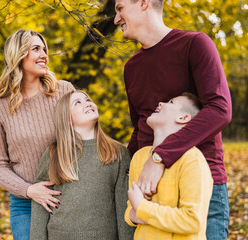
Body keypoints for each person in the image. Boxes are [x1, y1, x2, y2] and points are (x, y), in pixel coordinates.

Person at [114, 0, 232, 239]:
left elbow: (220, 109)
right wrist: (130, 172)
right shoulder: (132, 67)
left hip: (198, 184)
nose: (116, 19)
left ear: (144, 3)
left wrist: (160, 158)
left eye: (119, 8)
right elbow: (140, 128)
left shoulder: (195, 44)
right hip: (150, 189)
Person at [0, 29, 75, 240]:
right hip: (25, 203)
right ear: (18, 55)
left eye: (45, 49)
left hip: (68, 195)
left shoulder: (64, 92)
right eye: (36, 49)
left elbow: (87, 139)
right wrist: (29, 190)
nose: (44, 54)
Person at [30, 90, 135, 240]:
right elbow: (41, 203)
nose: (87, 103)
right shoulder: (54, 152)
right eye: (78, 102)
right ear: (67, 118)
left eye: (88, 100)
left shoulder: (117, 152)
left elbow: (123, 204)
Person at [125, 93, 213, 239]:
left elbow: (192, 221)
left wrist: (142, 208)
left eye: (170, 102)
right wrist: (134, 213)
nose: (160, 103)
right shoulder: (139, 157)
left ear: (183, 118)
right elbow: (130, 212)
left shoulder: (192, 159)